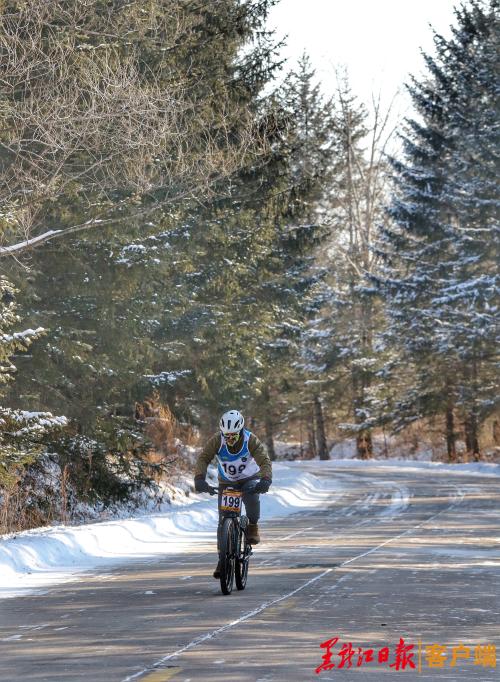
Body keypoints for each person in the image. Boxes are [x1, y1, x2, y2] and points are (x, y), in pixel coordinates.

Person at [194, 409, 272, 578]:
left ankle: (252, 525)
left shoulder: (250, 440)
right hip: (227, 481)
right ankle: (222, 559)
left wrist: (266, 479)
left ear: (240, 431)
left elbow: (264, 460)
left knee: (251, 496)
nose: (229, 439)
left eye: (233, 436)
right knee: (223, 521)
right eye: (226, 435)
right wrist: (199, 478)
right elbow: (203, 458)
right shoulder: (217, 440)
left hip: (249, 478)